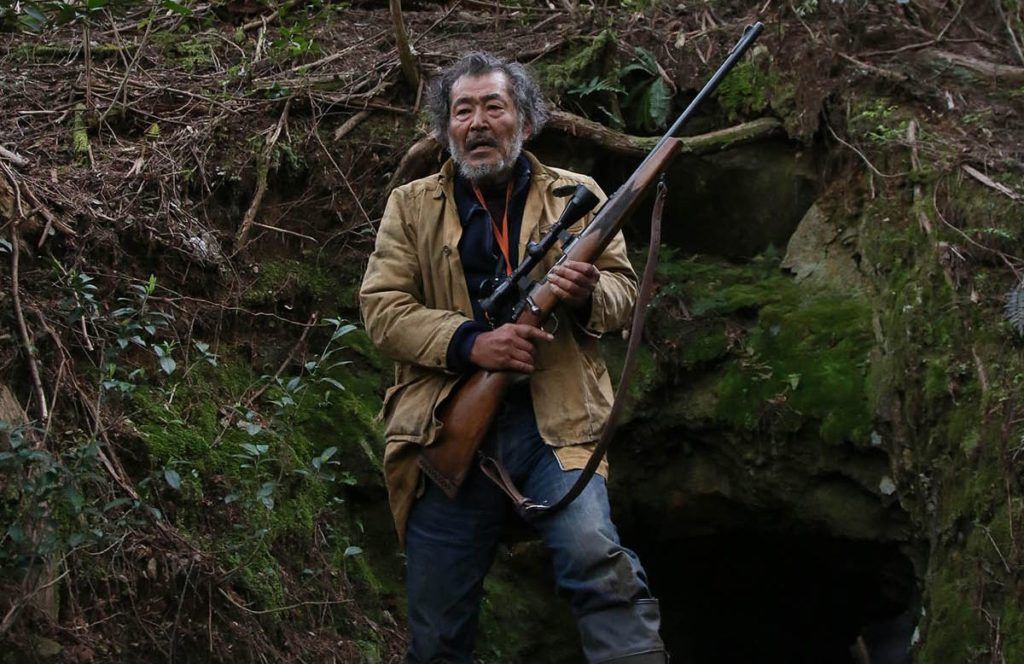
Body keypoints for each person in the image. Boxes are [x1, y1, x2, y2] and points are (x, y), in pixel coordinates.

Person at [359, 52, 667, 664]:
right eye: (462, 110)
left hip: (556, 421)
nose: (477, 122)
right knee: (439, 623)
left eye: (493, 106)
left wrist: (582, 297)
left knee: (595, 558)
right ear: (446, 129)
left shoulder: (579, 198)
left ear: (524, 121)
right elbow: (382, 308)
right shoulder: (410, 206)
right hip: (446, 420)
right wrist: (473, 342)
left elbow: (625, 293)